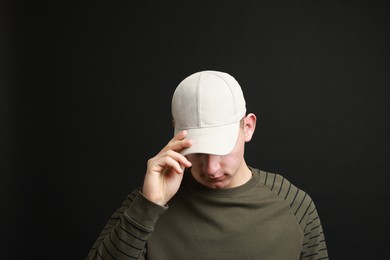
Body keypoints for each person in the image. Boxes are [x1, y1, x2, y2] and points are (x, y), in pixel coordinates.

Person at [85, 70, 329, 260]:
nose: (210, 168)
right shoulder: (147, 204)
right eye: (197, 151)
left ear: (248, 127)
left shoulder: (294, 206)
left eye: (221, 148)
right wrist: (148, 206)